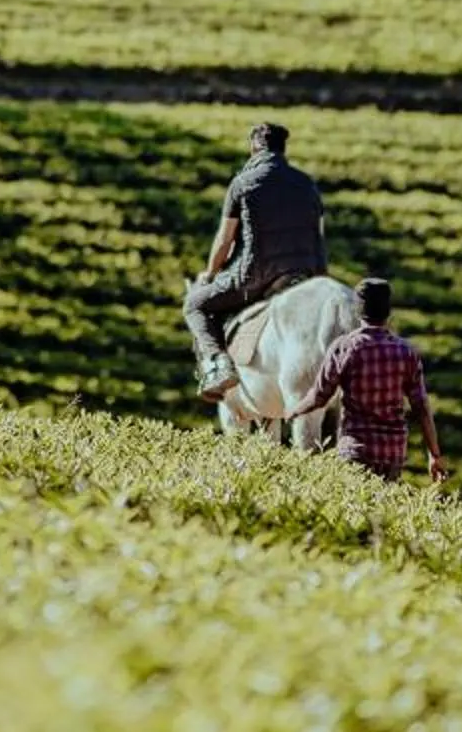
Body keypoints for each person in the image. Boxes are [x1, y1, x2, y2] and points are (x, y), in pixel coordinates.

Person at [184, 119, 328, 400]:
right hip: (306, 273)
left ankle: (218, 365)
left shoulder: (243, 183)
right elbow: (318, 236)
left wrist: (211, 274)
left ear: (254, 147)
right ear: (282, 148)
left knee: (195, 304)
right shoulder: (307, 184)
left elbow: (225, 239)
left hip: (257, 275)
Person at [300, 276, 444, 481]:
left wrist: (293, 410)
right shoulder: (406, 351)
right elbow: (420, 406)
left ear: (358, 311)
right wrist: (434, 455)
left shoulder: (344, 347)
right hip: (392, 454)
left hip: (356, 452)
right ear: (388, 311)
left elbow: (319, 398)